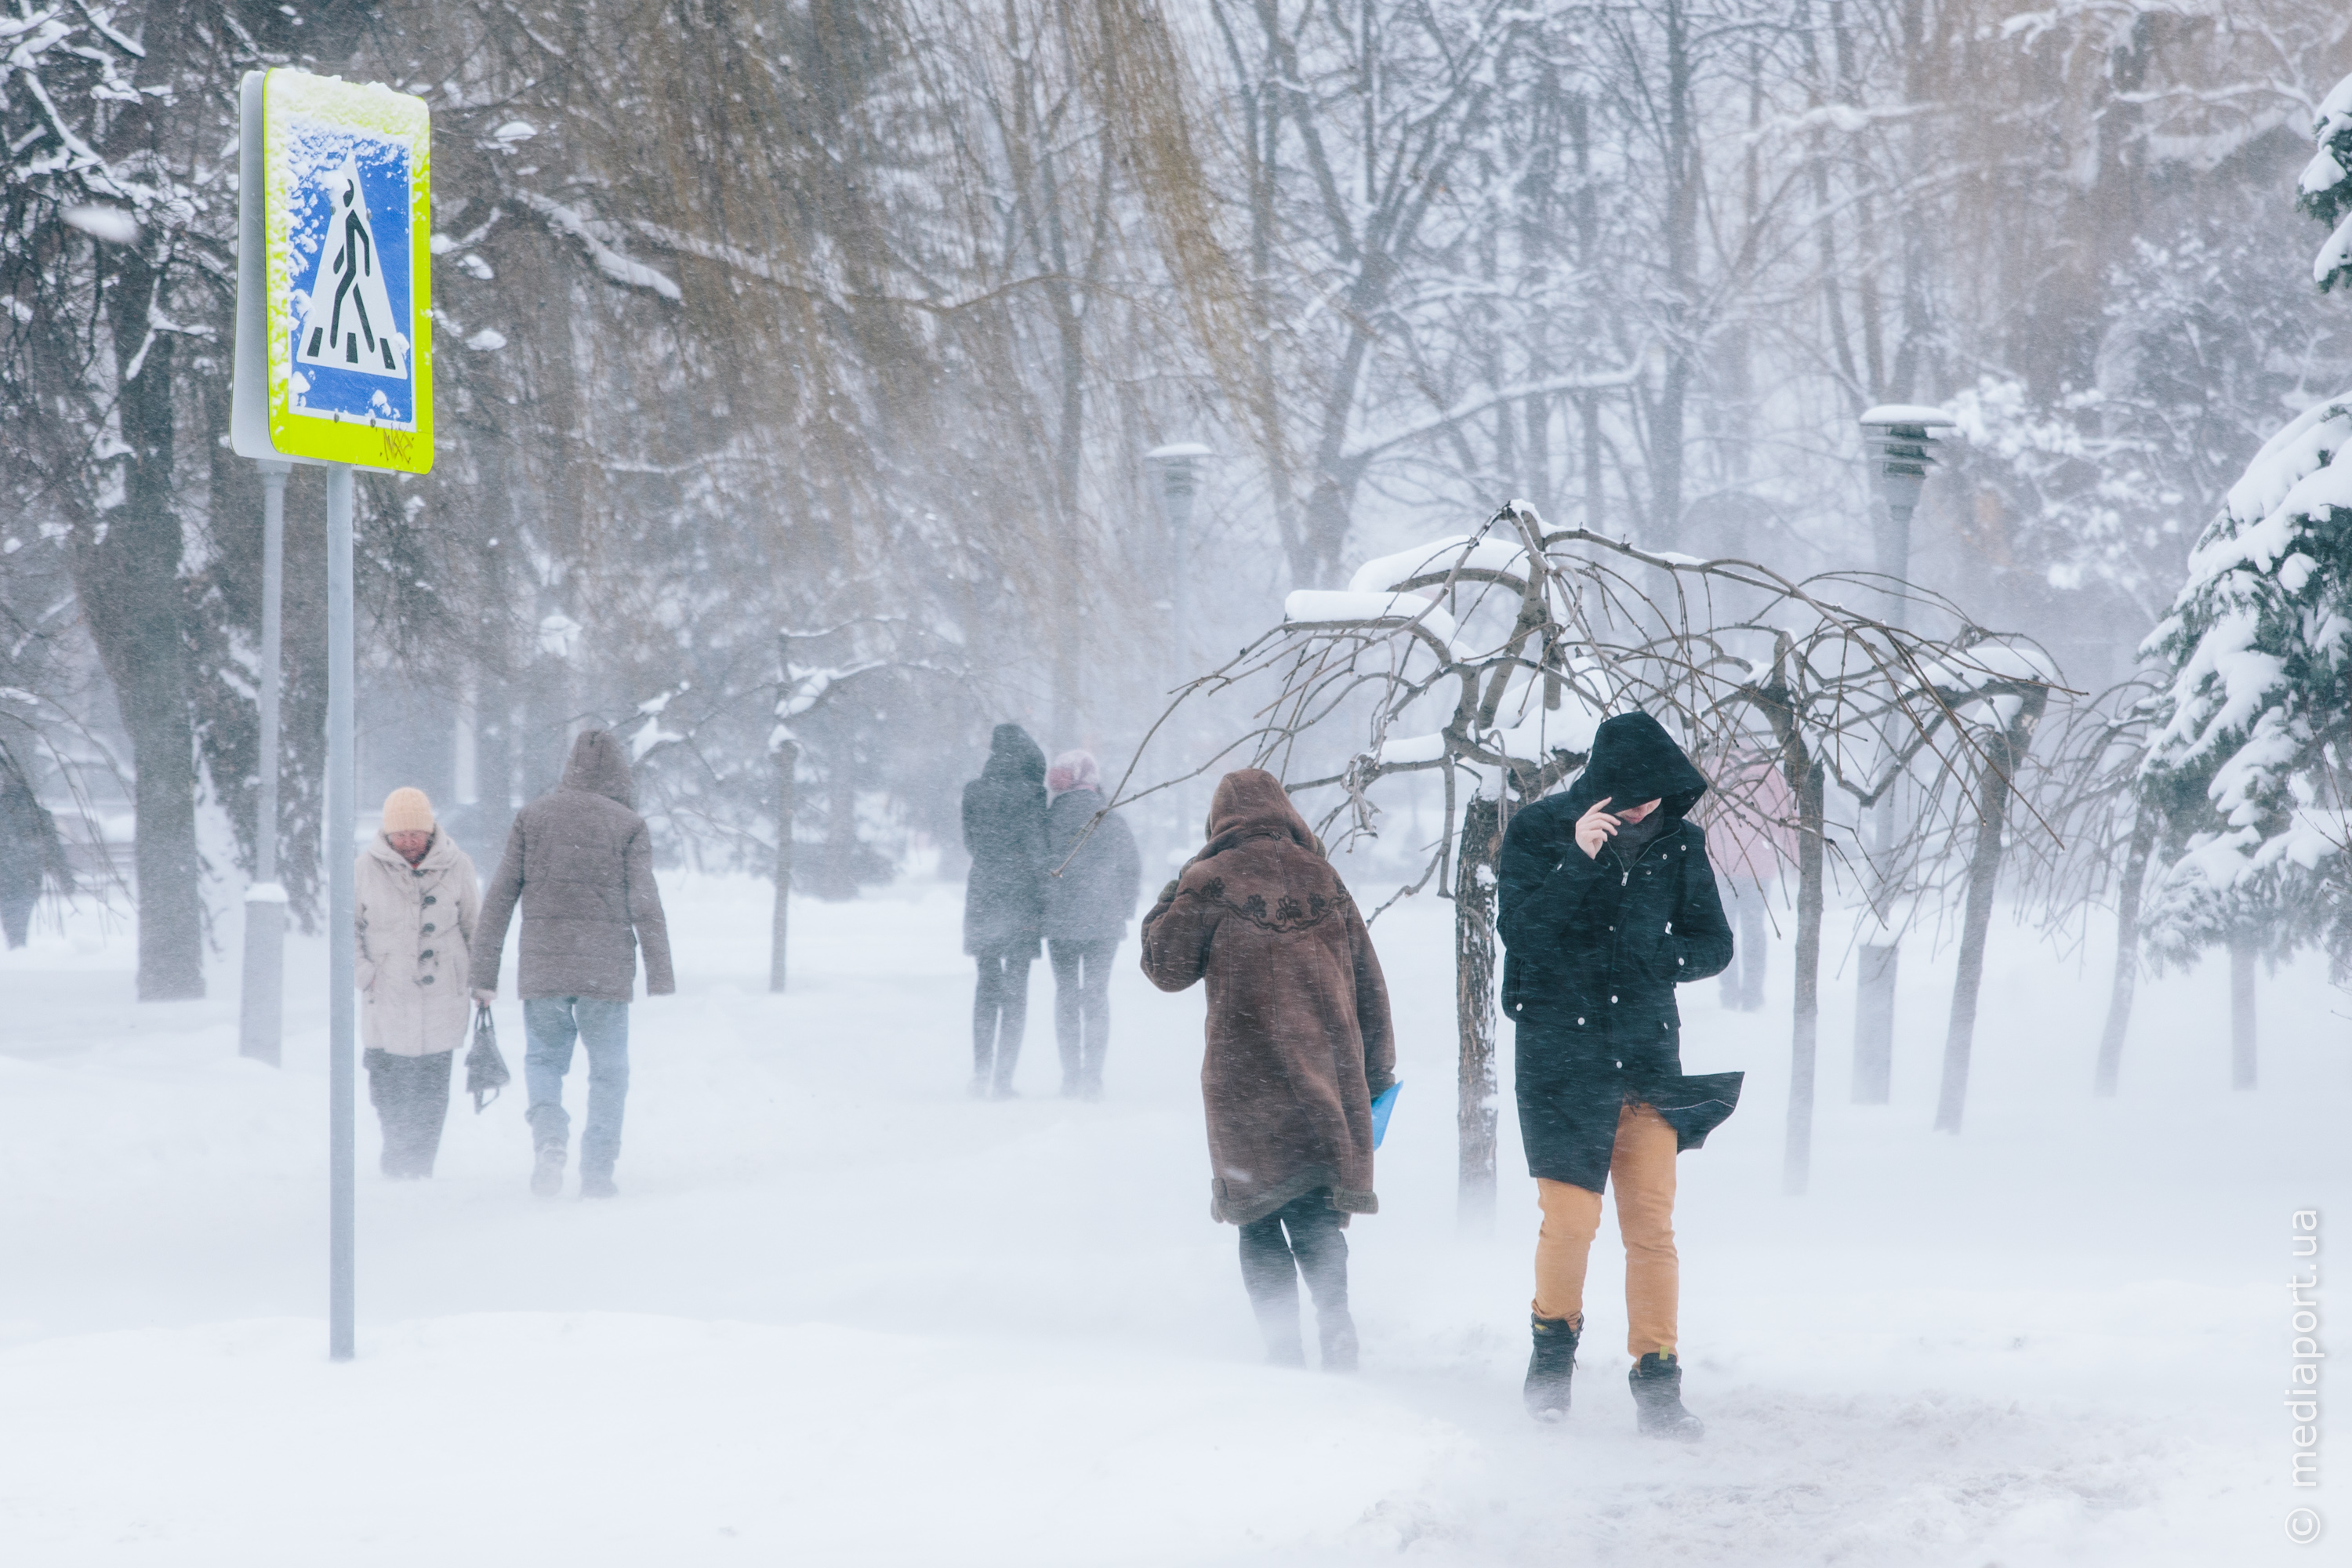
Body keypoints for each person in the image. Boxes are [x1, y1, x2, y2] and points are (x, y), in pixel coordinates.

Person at [1497, 710, 1740, 1439]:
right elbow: (1522, 935)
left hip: (1646, 1060)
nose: (1643, 809)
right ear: (1599, 788)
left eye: (1655, 796)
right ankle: (1550, 1360)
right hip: (1559, 1061)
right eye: (1630, 797)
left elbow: (1715, 945)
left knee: (1651, 1228)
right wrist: (1578, 859)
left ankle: (1658, 1384)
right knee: (1570, 1225)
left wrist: (1660, 961)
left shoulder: (1681, 844)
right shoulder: (1539, 831)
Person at [1140, 769, 1395, 1371]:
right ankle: (1337, 1328)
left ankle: (1283, 1351)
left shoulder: (1207, 882)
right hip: (1326, 1076)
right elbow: (1369, 986)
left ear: (1219, 822)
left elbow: (1165, 967)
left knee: (1258, 1218)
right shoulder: (1326, 880)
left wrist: (1174, 890)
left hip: (1245, 1083)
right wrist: (1378, 1073)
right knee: (1313, 1211)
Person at [470, 729, 673, 1199]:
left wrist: (484, 973)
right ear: (618, 774)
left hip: (544, 970)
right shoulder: (628, 825)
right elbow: (646, 902)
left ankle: (549, 1138)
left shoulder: (532, 818)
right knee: (609, 1071)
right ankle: (598, 1170)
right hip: (605, 974)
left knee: (544, 1060)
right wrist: (660, 974)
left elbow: (500, 897)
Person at [354, 788, 480, 1178]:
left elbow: (475, 927)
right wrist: (364, 972)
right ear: (387, 834)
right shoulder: (363, 869)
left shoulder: (458, 865)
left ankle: (420, 1164)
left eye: (416, 834)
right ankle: (396, 1156)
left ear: (430, 831)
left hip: (443, 991)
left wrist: (480, 982)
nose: (409, 843)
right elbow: (347, 929)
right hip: (386, 992)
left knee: (431, 1086)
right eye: (400, 835)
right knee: (387, 1083)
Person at [1042, 750, 1142, 1099]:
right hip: (1103, 920)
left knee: (1067, 994)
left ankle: (1070, 1077)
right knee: (1097, 995)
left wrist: (1047, 905)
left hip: (1061, 921)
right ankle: (1093, 1079)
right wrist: (1124, 908)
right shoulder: (1109, 817)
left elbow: (1039, 867)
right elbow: (1131, 866)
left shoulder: (1049, 819)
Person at [962, 724, 1048, 1098]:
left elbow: (970, 841)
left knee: (986, 986)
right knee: (1016, 990)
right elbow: (1036, 849)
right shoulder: (1031, 794)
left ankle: (980, 1071)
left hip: (982, 891)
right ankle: (1003, 1079)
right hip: (1020, 896)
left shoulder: (974, 791)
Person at [1703, 749, 1791, 1013]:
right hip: (1755, 866)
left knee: (1725, 932)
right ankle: (1751, 994)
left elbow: (1698, 813)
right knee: (1753, 931)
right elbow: (1783, 815)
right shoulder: (1767, 768)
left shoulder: (1712, 763)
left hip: (1721, 865)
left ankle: (1730, 993)